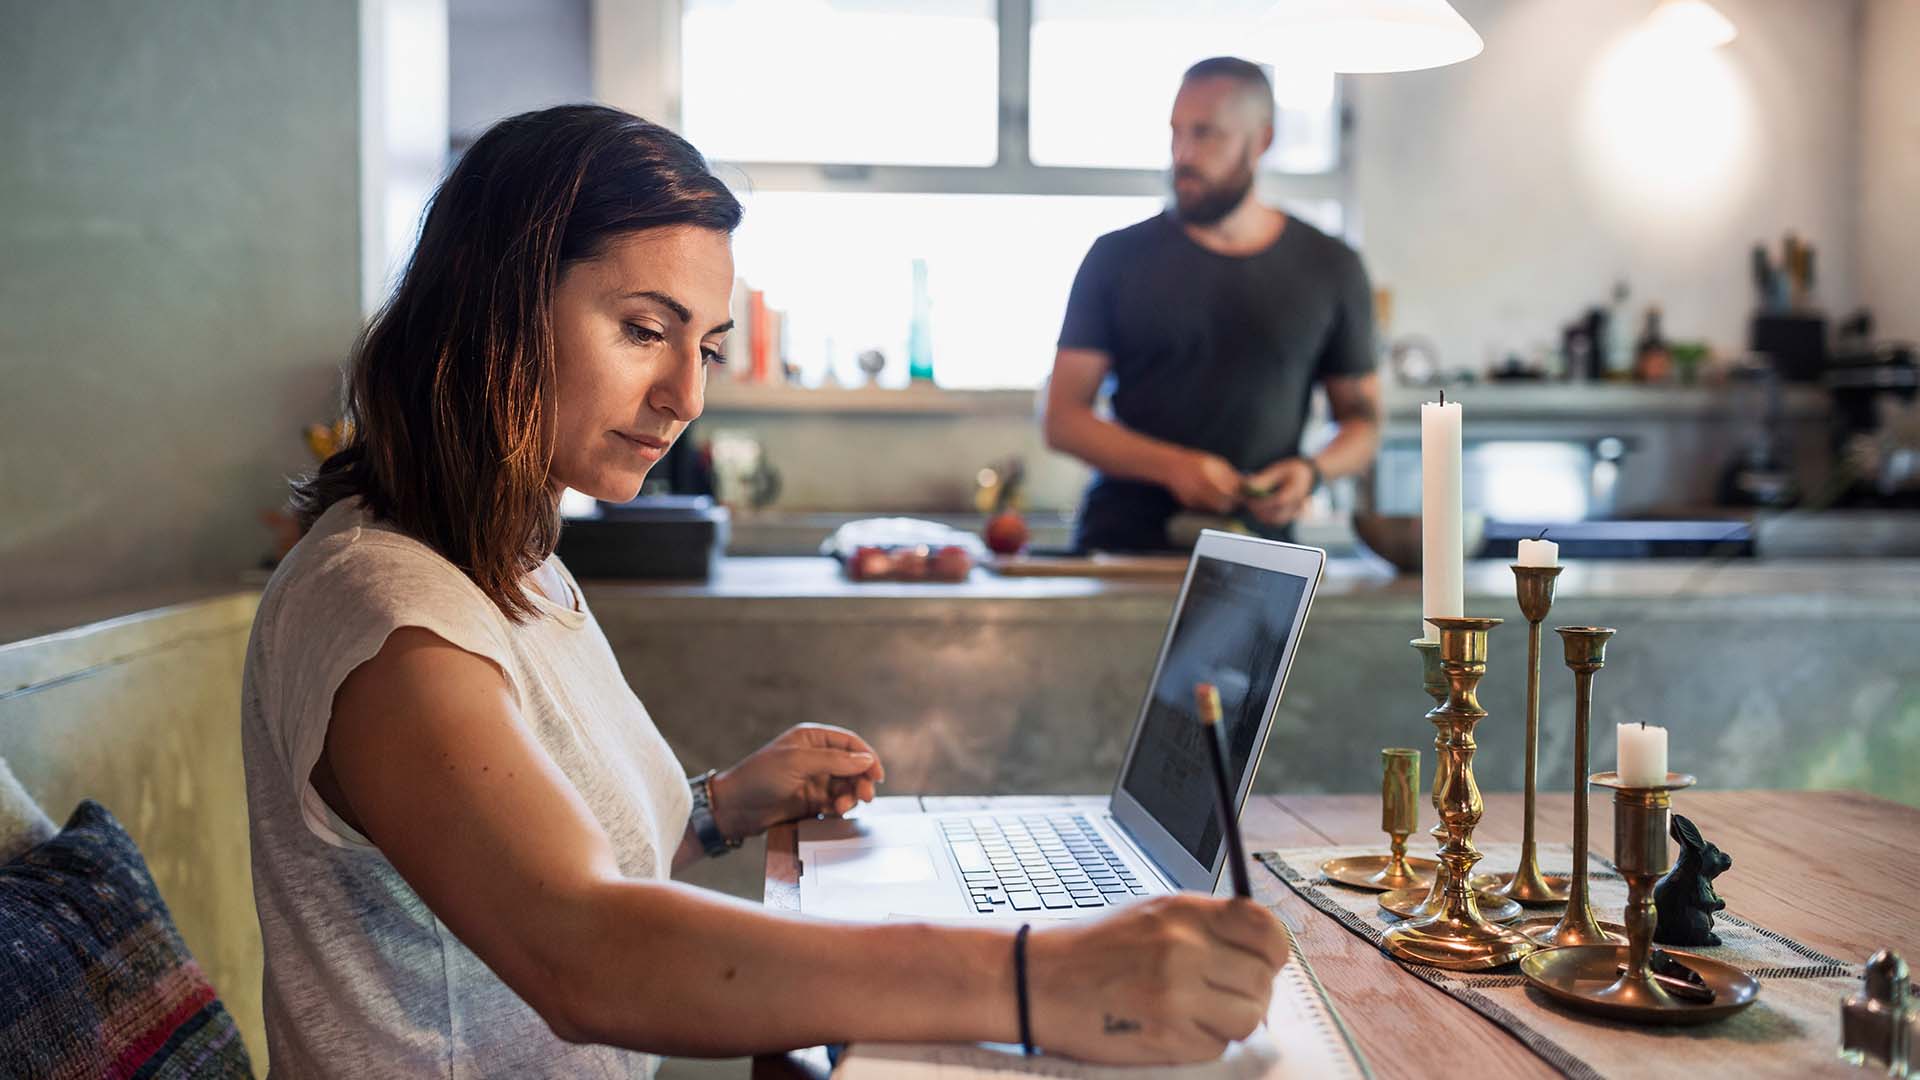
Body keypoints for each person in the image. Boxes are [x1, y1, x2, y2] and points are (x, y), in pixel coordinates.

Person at [241, 104, 1289, 1078]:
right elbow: (583, 949)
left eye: (704, 347)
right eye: (645, 330)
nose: (686, 395)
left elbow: (518, 846)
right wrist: (1038, 977)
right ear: (495, 309)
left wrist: (720, 805)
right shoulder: (388, 614)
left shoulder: (511, 564)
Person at [1044, 57, 1382, 553]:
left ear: (1261, 141)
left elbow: (1362, 422)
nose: (1183, 153)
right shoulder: (1115, 257)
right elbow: (1062, 418)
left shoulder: (1332, 266)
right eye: (1176, 132)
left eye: (1206, 135)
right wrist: (1174, 467)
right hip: (1123, 551)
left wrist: (1312, 472)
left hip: (1262, 555)